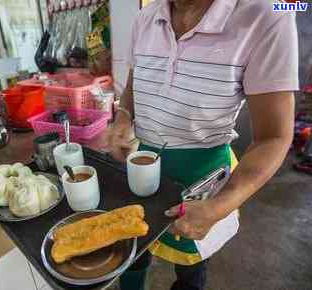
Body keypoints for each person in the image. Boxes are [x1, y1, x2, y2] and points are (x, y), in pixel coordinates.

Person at [109, 0, 298, 290]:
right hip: (143, 167)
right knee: (132, 247)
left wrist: (219, 207)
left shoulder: (267, 15)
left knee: (192, 263)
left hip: (203, 182)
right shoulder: (145, 17)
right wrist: (122, 119)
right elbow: (134, 86)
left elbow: (274, 136)